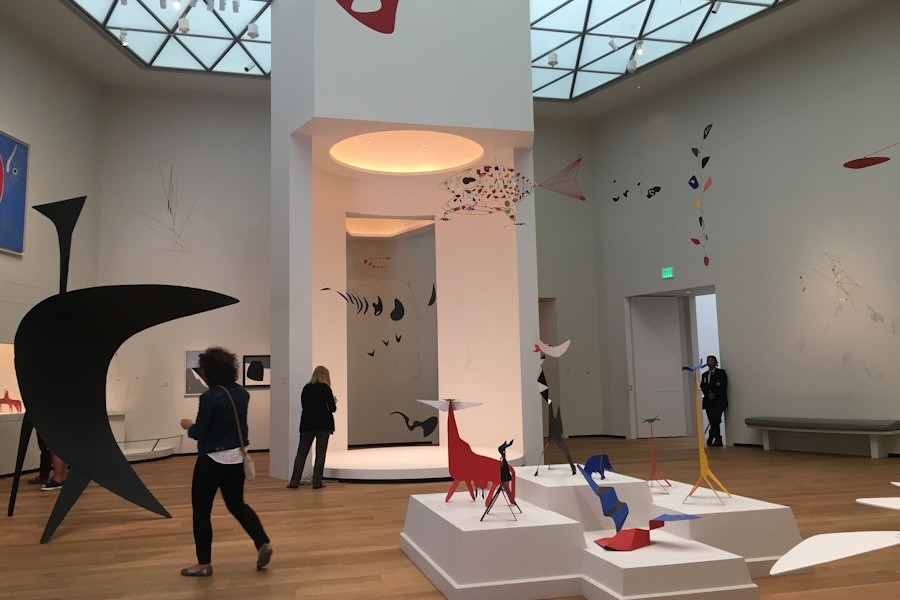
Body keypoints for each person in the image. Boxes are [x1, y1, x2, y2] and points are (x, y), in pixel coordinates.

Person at [179, 346, 272, 577]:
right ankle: (262, 542)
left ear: (209, 372)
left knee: (201, 511)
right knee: (237, 504)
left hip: (211, 460)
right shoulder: (243, 393)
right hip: (236, 459)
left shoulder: (209, 397)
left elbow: (200, 432)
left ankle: (203, 564)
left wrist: (188, 425)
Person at [287, 365, 337, 489]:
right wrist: (333, 402)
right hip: (323, 424)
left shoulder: (306, 388)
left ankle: (294, 481)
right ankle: (317, 482)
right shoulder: (326, 389)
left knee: (301, 453)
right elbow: (332, 409)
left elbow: (304, 406)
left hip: (307, 424)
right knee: (320, 454)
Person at [700, 355, 728, 447]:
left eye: (711, 360)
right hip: (708, 401)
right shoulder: (704, 375)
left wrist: (714, 393)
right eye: (708, 361)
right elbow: (703, 386)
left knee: (716, 420)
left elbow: (723, 385)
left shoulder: (721, 372)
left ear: (715, 362)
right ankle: (717, 439)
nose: (709, 362)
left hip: (719, 401)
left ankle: (713, 436)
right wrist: (708, 394)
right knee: (712, 420)